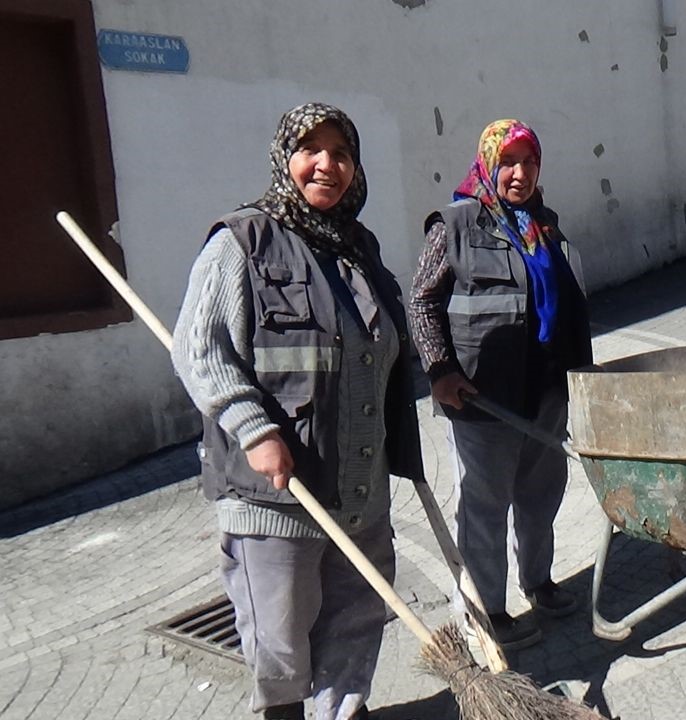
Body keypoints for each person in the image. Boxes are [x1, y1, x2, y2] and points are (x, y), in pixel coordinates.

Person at [171, 103, 423, 720]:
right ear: (286, 157)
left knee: (357, 619)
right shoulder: (243, 242)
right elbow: (197, 347)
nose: (327, 165)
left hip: (358, 489)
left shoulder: (359, 249)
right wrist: (254, 429)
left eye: (341, 153)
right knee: (280, 637)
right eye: (311, 149)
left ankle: (342, 713)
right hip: (275, 499)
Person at [408, 119, 592, 651]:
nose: (519, 173)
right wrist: (440, 369)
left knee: (541, 497)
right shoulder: (457, 224)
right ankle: (487, 613)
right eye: (508, 162)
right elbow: (422, 299)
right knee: (485, 507)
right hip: (483, 396)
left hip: (546, 390)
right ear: (488, 163)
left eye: (529, 162)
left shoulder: (544, 225)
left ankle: (539, 581)